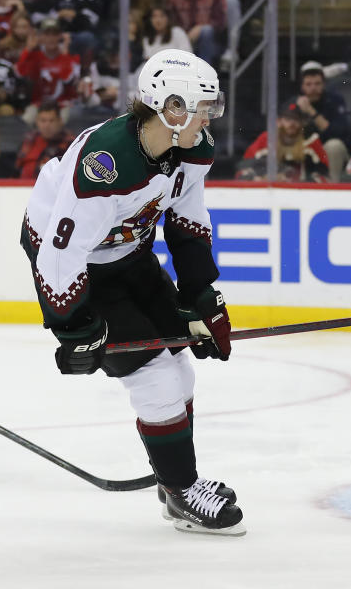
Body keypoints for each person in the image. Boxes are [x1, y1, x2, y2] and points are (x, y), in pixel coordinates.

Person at [18, 49, 243, 535]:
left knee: (179, 362)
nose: (210, 116)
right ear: (171, 107)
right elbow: (60, 254)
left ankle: (175, 481)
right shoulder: (105, 164)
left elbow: (188, 221)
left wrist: (201, 298)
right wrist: (74, 327)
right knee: (155, 377)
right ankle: (183, 490)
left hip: (127, 253)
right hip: (74, 259)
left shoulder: (191, 148)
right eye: (202, 106)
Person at [237, 100, 330, 182]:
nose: (292, 123)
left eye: (296, 119)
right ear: (279, 121)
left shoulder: (311, 141)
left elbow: (323, 177)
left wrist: (295, 182)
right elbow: (242, 171)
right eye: (288, 119)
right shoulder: (266, 139)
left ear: (302, 122)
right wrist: (257, 179)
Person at [290, 61, 351, 182]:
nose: (313, 88)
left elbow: (338, 133)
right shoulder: (293, 104)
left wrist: (312, 112)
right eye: (308, 84)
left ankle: (332, 187)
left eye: (317, 84)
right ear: (302, 86)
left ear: (324, 84)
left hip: (328, 149)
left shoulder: (335, 100)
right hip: (304, 149)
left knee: (334, 146)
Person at [15, 18, 80, 124]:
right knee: (27, 118)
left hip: (62, 104)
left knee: (61, 121)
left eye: (54, 34)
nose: (51, 38)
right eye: (47, 34)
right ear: (41, 36)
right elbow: (19, 73)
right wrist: (28, 49)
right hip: (39, 103)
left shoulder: (70, 57)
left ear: (60, 36)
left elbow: (68, 79)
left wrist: (65, 55)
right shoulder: (35, 56)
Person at [15, 101, 75, 179]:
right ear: (37, 122)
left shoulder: (71, 144)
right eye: (43, 121)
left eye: (51, 121)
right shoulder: (28, 140)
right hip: (20, 187)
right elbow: (16, 169)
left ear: (60, 121)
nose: (47, 125)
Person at [168, 0, 228, 67]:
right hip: (184, 39)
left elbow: (221, 22)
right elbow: (172, 23)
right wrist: (184, 36)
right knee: (176, 32)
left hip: (212, 42)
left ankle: (203, 72)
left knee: (206, 31)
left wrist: (200, 28)